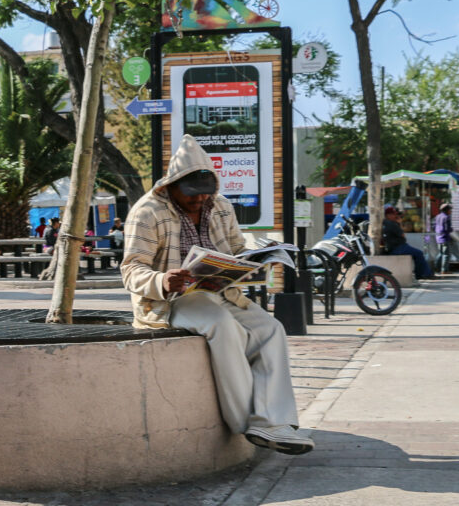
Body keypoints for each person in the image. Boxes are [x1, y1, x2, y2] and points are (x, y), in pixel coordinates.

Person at [120, 134, 314, 456]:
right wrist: (163, 279)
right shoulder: (147, 212)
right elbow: (131, 270)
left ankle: (272, 421)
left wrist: (256, 256)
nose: (199, 201)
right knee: (223, 326)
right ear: (172, 186)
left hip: (222, 291)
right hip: (169, 301)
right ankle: (244, 424)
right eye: (192, 195)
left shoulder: (220, 206)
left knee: (270, 329)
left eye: (205, 194)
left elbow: (237, 248)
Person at [382, 206, 433, 279]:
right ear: (388, 215)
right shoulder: (392, 224)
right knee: (419, 253)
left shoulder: (386, 223)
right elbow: (402, 235)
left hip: (395, 247)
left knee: (417, 254)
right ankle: (423, 274)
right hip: (398, 248)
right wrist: (399, 223)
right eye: (393, 214)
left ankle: (422, 273)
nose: (396, 216)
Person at [433, 203, 453, 275]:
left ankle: (436, 268)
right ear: (447, 210)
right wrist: (451, 230)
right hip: (445, 238)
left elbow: (434, 227)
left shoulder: (437, 216)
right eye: (450, 210)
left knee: (440, 253)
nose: (451, 211)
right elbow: (447, 228)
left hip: (438, 238)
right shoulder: (447, 217)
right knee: (446, 254)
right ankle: (444, 270)